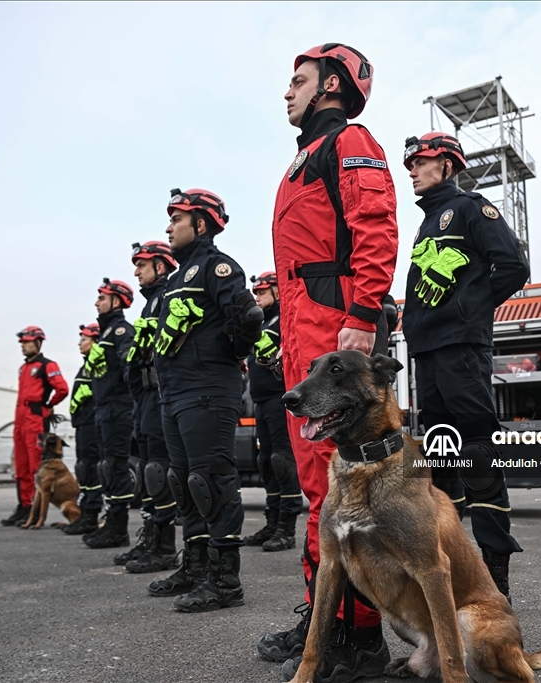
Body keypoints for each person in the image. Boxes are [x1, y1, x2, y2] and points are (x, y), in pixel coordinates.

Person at [261, 44, 399, 682]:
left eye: (298, 81)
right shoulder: (301, 162)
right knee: (317, 489)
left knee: (345, 493)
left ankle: (361, 639)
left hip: (333, 331)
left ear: (332, 85)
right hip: (302, 335)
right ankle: (325, 622)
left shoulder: (351, 142)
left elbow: (374, 226)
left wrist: (363, 318)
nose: (287, 92)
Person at [400, 131, 530, 599]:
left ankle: (496, 580)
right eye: (409, 162)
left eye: (420, 161)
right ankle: (453, 569)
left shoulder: (472, 207)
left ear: (448, 165)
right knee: (440, 462)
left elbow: (513, 265)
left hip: (461, 347)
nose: (411, 169)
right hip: (428, 351)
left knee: (475, 454)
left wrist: (470, 309)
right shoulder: (427, 223)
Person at [145, 188, 263, 612]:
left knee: (210, 480)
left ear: (201, 223)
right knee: (182, 481)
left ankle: (225, 581)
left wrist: (232, 355)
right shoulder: (176, 278)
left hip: (208, 388)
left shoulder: (217, 266)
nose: (168, 227)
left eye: (175, 219)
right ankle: (193, 567)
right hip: (173, 392)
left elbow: (249, 316)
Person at [114, 240, 181, 573]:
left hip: (158, 395)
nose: (137, 271)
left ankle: (165, 547)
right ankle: (151, 539)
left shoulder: (167, 298)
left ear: (161, 266)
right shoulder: (149, 304)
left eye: (142, 265)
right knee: (146, 470)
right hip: (142, 397)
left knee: (157, 470)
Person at [243, 271, 302, 552]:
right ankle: (272, 521)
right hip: (260, 400)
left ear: (278, 292)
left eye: (262, 292)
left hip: (280, 398)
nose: (257, 297)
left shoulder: (285, 318)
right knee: (266, 462)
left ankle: (286, 528)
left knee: (282, 460)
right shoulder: (263, 322)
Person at [82, 279, 138, 548]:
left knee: (116, 466)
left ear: (117, 301)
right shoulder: (105, 334)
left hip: (119, 408)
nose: (96, 302)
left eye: (102, 298)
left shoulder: (121, 332)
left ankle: (118, 530)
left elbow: (130, 370)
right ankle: (111, 524)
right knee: (107, 467)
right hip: (103, 409)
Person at [1, 326, 68, 527]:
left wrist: (48, 405)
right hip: (20, 419)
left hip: (35, 419)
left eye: (27, 342)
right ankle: (23, 506)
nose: (24, 346)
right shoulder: (23, 369)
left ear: (38, 343)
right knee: (20, 466)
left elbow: (62, 388)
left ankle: (34, 509)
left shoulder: (47, 365)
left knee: (34, 465)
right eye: (22, 343)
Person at [62, 323, 104, 535]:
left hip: (92, 423)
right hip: (83, 423)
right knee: (84, 469)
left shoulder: (98, 363)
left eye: (84, 339)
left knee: (91, 468)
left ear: (95, 340)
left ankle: (91, 515)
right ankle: (85, 513)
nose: (80, 343)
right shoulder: (87, 365)